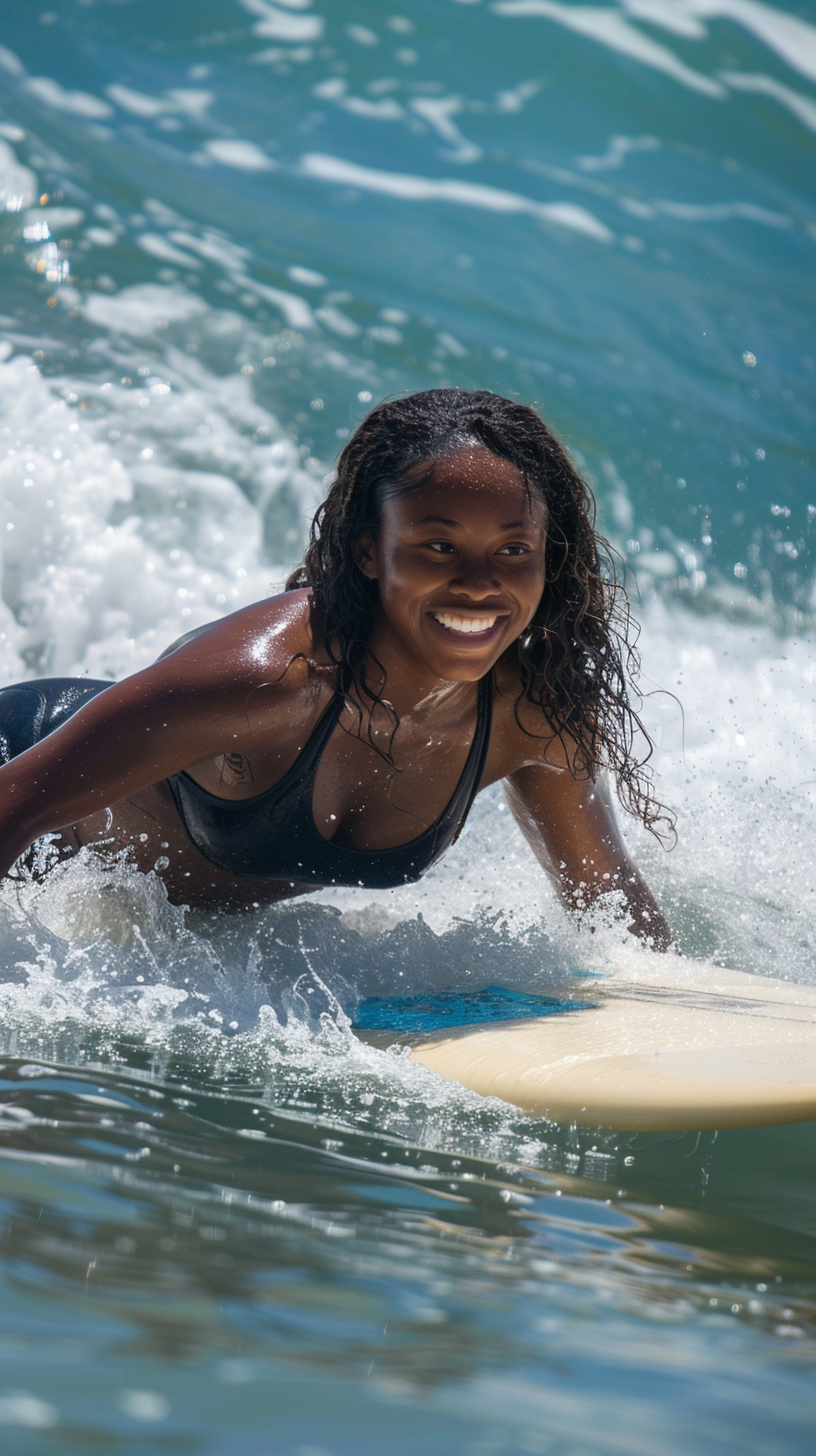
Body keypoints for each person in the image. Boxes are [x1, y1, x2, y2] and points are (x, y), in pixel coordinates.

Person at [0, 389, 671, 945]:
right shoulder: (272, 679)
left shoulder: (533, 720)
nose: (478, 582)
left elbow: (610, 903)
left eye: (512, 549)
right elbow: (14, 803)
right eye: (438, 545)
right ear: (367, 552)